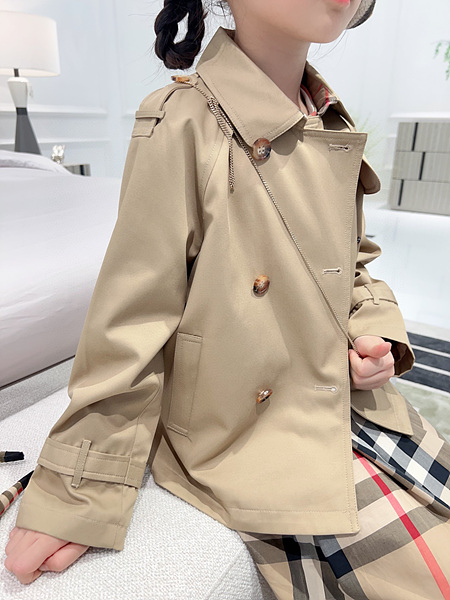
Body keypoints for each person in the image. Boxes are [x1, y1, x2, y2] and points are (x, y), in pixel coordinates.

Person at [4, 0, 450, 597]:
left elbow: (353, 262)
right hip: (254, 427)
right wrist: (76, 490)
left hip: (351, 401)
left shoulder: (327, 117)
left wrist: (375, 331)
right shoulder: (183, 119)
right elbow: (134, 317)